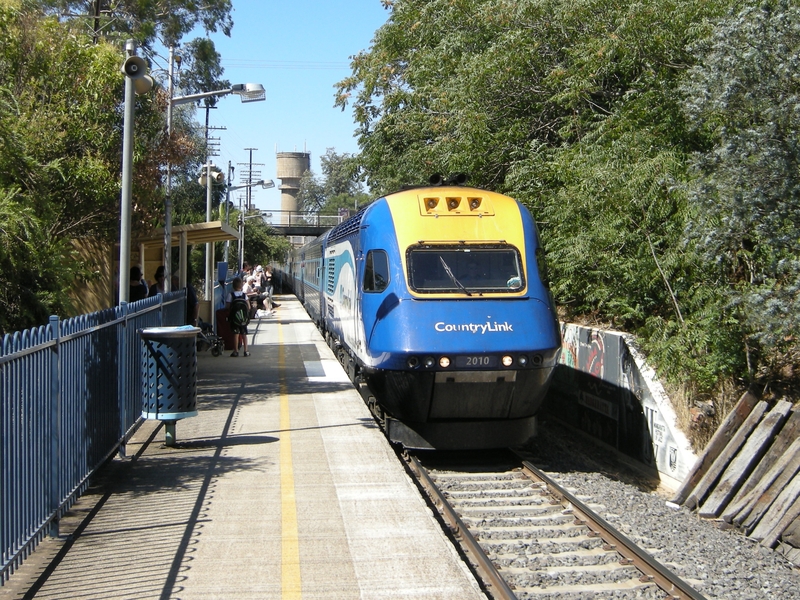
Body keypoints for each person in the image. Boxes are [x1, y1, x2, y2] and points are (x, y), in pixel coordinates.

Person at [225, 277, 250, 357]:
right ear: (241, 285)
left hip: (234, 319)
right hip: (243, 319)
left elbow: (228, 306)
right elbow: (248, 307)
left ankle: (235, 351)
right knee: (244, 334)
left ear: (233, 286)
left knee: (236, 334)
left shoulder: (230, 295)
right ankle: (246, 351)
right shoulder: (244, 295)